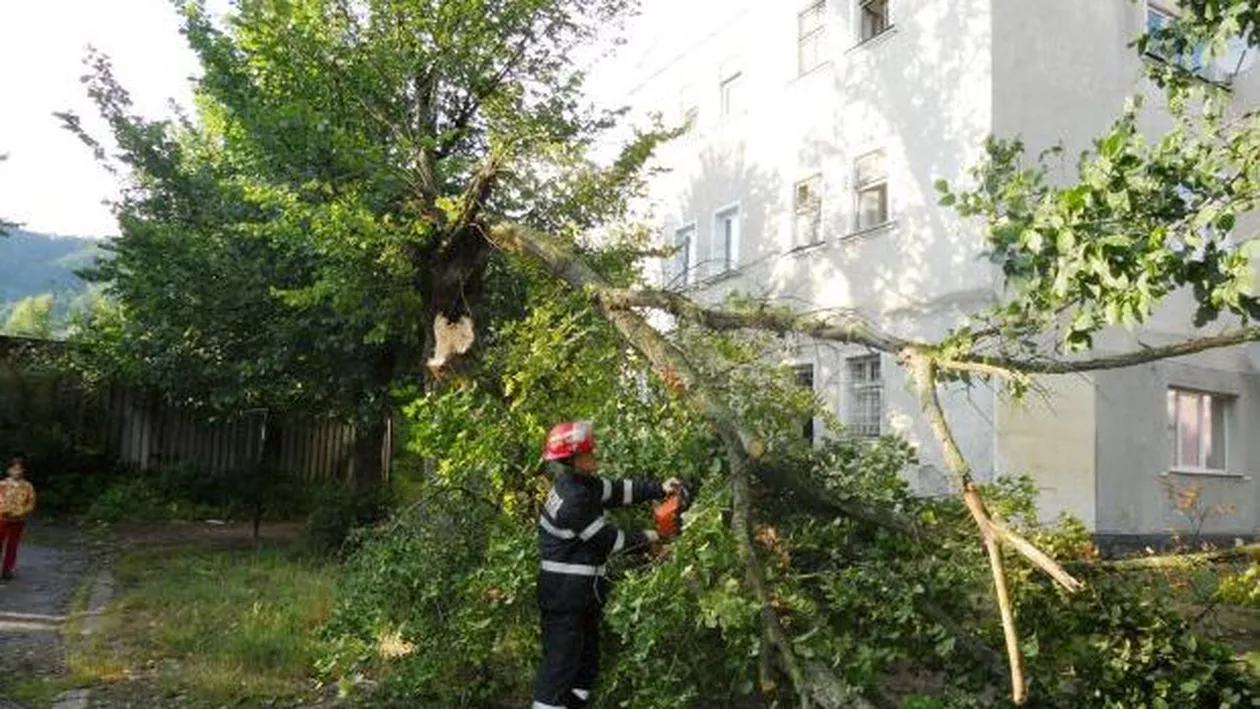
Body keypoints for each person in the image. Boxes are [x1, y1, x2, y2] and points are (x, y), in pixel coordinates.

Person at [531, 421, 684, 709]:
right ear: (573, 458)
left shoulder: (578, 484)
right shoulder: (573, 500)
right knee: (558, 671)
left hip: (580, 598)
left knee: (586, 667)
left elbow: (617, 490)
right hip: (564, 600)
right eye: (589, 450)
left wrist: (658, 488)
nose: (595, 452)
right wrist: (655, 536)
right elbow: (607, 541)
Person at [0, 456, 36, 581]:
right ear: (9, 470)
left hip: (18, 520)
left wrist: (22, 512)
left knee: (12, 545)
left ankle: (7, 569)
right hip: (2, 518)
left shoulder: (27, 486)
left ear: (23, 471)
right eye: (14, 469)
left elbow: (31, 502)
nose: (17, 472)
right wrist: (4, 510)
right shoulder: (2, 485)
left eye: (19, 470)